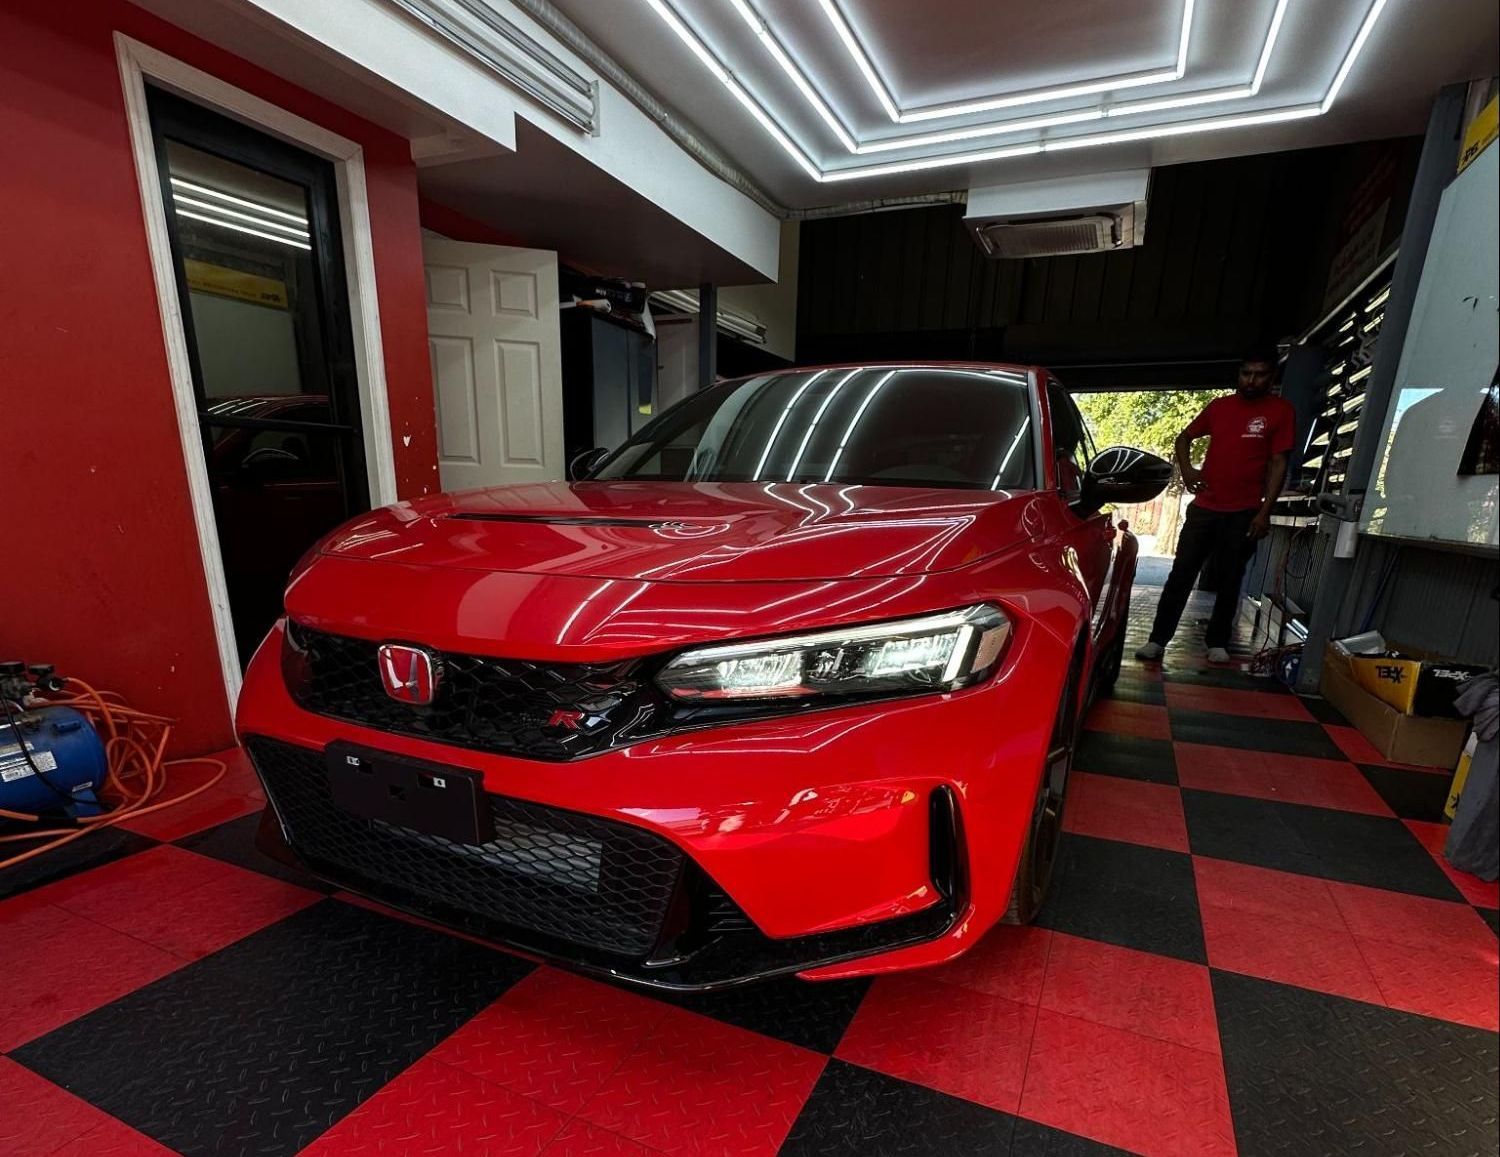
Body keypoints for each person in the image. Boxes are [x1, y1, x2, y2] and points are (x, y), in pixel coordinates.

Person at [1135, 349, 1294, 665]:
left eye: (1259, 374)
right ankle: (1157, 640)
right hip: (1206, 508)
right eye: (1246, 373)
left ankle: (1217, 642)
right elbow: (1184, 438)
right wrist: (1189, 471)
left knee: (1231, 578)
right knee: (1181, 574)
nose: (1251, 380)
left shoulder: (1280, 411)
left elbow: (1279, 463)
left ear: (1271, 377)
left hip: (1245, 511)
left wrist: (1265, 512)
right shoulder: (1220, 407)